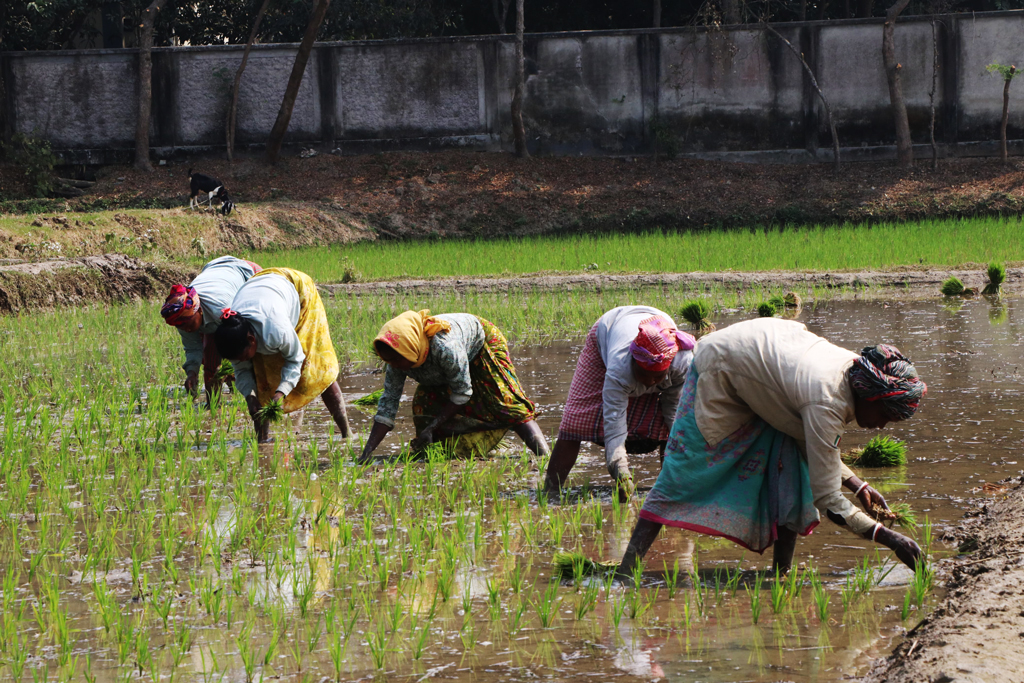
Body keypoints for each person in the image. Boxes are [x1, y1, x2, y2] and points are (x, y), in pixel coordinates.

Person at [615, 318, 927, 579]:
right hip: (721, 365)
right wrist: (890, 539)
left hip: (766, 362)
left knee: (790, 465)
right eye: (885, 416)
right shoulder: (826, 401)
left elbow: (818, 449)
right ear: (869, 397)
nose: (883, 426)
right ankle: (626, 570)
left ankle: (781, 573)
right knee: (683, 470)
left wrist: (859, 486)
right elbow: (828, 499)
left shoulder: (854, 371)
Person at [542, 306, 696, 498]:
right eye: (644, 375)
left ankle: (673, 489)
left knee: (666, 430)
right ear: (634, 362)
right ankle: (550, 492)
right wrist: (621, 472)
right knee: (575, 422)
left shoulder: (682, 362)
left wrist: (683, 454)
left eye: (656, 378)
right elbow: (614, 422)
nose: (649, 383)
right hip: (609, 328)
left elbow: (674, 412)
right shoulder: (619, 366)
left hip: (659, 330)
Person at [357, 310, 549, 462]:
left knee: (504, 401)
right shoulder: (397, 360)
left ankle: (545, 457)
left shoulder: (445, 349)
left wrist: (433, 427)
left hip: (481, 343)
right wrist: (366, 454)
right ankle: (456, 452)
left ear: (410, 350)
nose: (393, 366)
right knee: (425, 407)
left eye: (397, 360)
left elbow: (463, 391)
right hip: (440, 366)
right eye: (388, 360)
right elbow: (388, 405)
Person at [214, 267, 350, 442]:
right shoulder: (234, 334)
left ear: (251, 339)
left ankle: (347, 432)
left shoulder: (276, 330)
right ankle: (262, 440)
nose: (242, 361)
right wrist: (250, 396)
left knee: (316, 370)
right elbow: (242, 371)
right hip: (262, 287)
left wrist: (281, 392)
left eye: (243, 356)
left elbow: (295, 360)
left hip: (299, 291)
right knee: (260, 380)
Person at [160, 255, 261, 400]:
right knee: (210, 359)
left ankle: (260, 395)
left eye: (189, 325)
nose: (187, 329)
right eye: (182, 327)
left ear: (198, 310)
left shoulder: (222, 308)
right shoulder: (182, 319)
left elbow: (249, 337)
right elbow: (194, 348)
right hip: (213, 269)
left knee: (246, 350)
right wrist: (192, 373)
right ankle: (212, 403)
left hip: (247, 273)